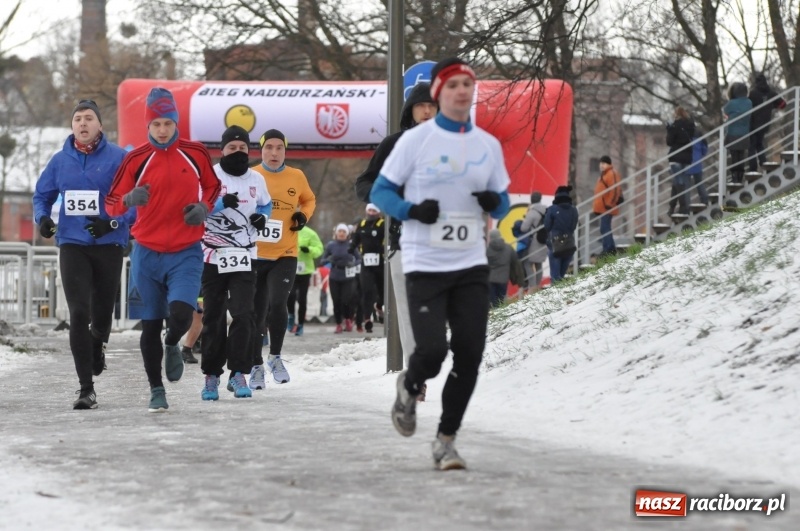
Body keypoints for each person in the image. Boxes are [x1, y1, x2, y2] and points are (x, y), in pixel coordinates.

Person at [370, 57, 511, 470]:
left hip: (470, 263)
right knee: (432, 352)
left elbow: (502, 197)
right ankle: (409, 385)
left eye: (468, 84)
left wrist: (493, 203)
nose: (461, 91)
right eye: (453, 85)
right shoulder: (414, 142)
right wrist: (412, 210)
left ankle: (446, 439)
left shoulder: (487, 144)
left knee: (469, 353)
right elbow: (380, 192)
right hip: (425, 262)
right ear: (438, 93)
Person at [105, 87, 221, 412]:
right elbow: (110, 203)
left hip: (186, 251)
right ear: (148, 126)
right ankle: (156, 389)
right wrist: (128, 200)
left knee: (182, 314)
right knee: (151, 324)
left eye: (167, 123)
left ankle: (174, 343)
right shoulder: (136, 158)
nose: (162, 130)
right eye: (155, 124)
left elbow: (213, 186)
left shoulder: (195, 153)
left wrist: (204, 207)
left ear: (175, 122)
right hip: (146, 253)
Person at [33, 99, 133, 410]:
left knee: (102, 314)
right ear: (73, 126)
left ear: (100, 125)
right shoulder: (60, 160)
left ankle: (98, 342)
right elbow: (42, 195)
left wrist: (112, 223)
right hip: (72, 242)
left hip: (108, 244)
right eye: (78, 119)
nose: (83, 123)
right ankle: (85, 388)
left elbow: (136, 200)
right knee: (78, 312)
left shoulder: (119, 158)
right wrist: (43, 218)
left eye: (89, 118)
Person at [355, 82, 437, 370]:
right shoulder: (394, 144)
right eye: (420, 106)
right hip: (403, 240)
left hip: (445, 240)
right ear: (410, 111)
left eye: (432, 106)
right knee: (408, 311)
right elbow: (364, 182)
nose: (427, 111)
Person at [199, 126, 271, 400]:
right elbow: (195, 205)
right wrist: (218, 204)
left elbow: (266, 204)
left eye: (242, 149)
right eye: (232, 148)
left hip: (245, 255)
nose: (237, 152)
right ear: (223, 149)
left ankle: (238, 372)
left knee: (243, 314)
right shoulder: (210, 175)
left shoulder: (257, 178)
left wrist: (262, 217)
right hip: (213, 255)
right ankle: (211, 375)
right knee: (214, 315)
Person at [249, 129, 316, 388]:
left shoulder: (296, 176)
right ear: (261, 149)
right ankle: (255, 365)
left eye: (279, 148)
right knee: (256, 310)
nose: (274, 153)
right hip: (255, 254)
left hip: (285, 254)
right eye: (269, 148)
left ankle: (275, 357)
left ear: (285, 151)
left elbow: (308, 199)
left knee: (278, 304)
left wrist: (303, 216)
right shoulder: (252, 176)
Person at [350, 203, 385, 333]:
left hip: (380, 261)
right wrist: (352, 247)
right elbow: (356, 238)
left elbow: (388, 238)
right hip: (366, 262)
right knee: (367, 290)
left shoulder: (383, 224)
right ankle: (367, 319)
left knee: (382, 291)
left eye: (373, 210)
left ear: (378, 212)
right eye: (369, 210)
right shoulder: (362, 224)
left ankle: (379, 306)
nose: (371, 213)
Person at [322, 224, 361, 333]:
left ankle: (348, 319)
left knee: (346, 300)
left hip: (348, 276)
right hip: (334, 275)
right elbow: (323, 260)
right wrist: (329, 259)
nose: (342, 233)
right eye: (340, 231)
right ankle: (339, 324)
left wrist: (353, 264)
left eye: (344, 232)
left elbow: (359, 259)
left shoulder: (351, 245)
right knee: (336, 301)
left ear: (347, 234)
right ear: (336, 233)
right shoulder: (331, 245)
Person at [288, 224, 324, 336]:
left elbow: (319, 249)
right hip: (290, 268)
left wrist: (309, 249)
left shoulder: (310, 233)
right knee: (291, 295)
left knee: (302, 298)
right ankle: (291, 316)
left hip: (305, 270)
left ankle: (301, 325)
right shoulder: (286, 229)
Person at [748, 73, 786, 171]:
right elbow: (783, 104)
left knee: (752, 146)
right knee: (760, 144)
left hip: (754, 123)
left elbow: (748, 107)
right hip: (765, 124)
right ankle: (763, 163)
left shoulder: (753, 93)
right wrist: (772, 106)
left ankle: (753, 168)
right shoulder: (771, 93)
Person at [544, 185, 578, 283]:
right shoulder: (574, 210)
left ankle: (554, 296)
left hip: (555, 245)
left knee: (555, 276)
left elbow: (547, 226)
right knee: (561, 276)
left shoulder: (551, 209)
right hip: (569, 244)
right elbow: (573, 227)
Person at [666, 106, 695, 215]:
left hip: (676, 157)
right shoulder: (690, 125)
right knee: (677, 182)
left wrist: (669, 129)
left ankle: (682, 206)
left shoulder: (675, 125)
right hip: (687, 157)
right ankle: (672, 207)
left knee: (678, 182)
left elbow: (669, 142)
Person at [517, 191, 548, 291]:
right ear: (540, 199)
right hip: (544, 240)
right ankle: (537, 286)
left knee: (527, 263)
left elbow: (523, 228)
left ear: (531, 199)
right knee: (539, 264)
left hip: (534, 241)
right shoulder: (546, 210)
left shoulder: (532, 212)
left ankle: (532, 286)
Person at [592, 155, 622, 256]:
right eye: (601, 163)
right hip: (603, 207)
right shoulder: (604, 174)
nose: (601, 165)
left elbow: (614, 189)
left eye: (604, 163)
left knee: (605, 227)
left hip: (607, 206)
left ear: (609, 164)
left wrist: (610, 203)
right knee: (604, 228)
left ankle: (609, 249)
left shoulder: (611, 173)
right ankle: (608, 247)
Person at [723, 83, 752, 184]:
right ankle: (740, 176)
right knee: (741, 156)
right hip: (745, 134)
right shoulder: (749, 102)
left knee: (734, 156)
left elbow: (725, 111)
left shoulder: (731, 103)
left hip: (732, 133)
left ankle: (735, 177)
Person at [486, 229, 523, 308]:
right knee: (501, 300)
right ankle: (500, 313)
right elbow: (515, 262)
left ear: (490, 237)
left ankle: (495, 315)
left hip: (490, 279)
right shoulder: (508, 248)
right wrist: (518, 278)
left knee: (493, 301)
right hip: (503, 279)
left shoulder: (487, 250)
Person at [686, 131, 709, 205]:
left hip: (687, 163)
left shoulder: (685, 137)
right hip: (697, 163)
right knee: (699, 183)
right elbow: (704, 151)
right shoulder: (701, 139)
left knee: (686, 185)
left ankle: (687, 204)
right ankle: (704, 199)